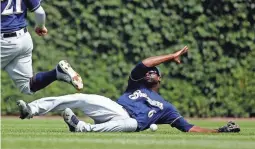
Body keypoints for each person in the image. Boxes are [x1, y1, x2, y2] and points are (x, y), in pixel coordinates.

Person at [17, 46, 240, 133]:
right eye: (151, 72)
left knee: (132, 123)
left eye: (156, 73)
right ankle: (32, 109)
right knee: (80, 97)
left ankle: (82, 128)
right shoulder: (137, 83)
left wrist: (218, 131)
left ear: (159, 81)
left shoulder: (166, 108)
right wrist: (171, 57)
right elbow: (145, 63)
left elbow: (189, 127)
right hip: (116, 108)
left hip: (131, 123)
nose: (152, 72)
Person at [1, 0, 83, 94]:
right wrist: (41, 26)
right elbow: (40, 12)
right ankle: (57, 73)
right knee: (27, 87)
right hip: (24, 38)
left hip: (4, 42)